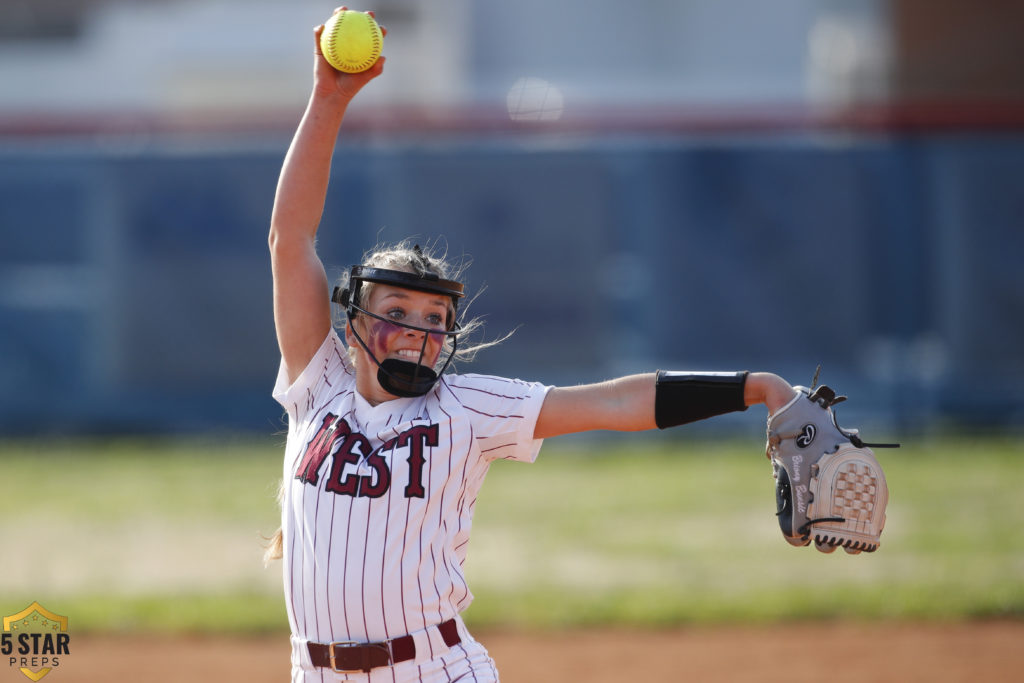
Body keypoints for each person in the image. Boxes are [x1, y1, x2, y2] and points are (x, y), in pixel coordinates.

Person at [266, 9, 797, 681]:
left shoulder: (464, 407)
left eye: (434, 316)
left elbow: (615, 401)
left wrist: (756, 388)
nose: (417, 329)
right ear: (354, 326)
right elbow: (291, 237)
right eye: (396, 309)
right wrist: (329, 99)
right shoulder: (318, 384)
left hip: (434, 669)